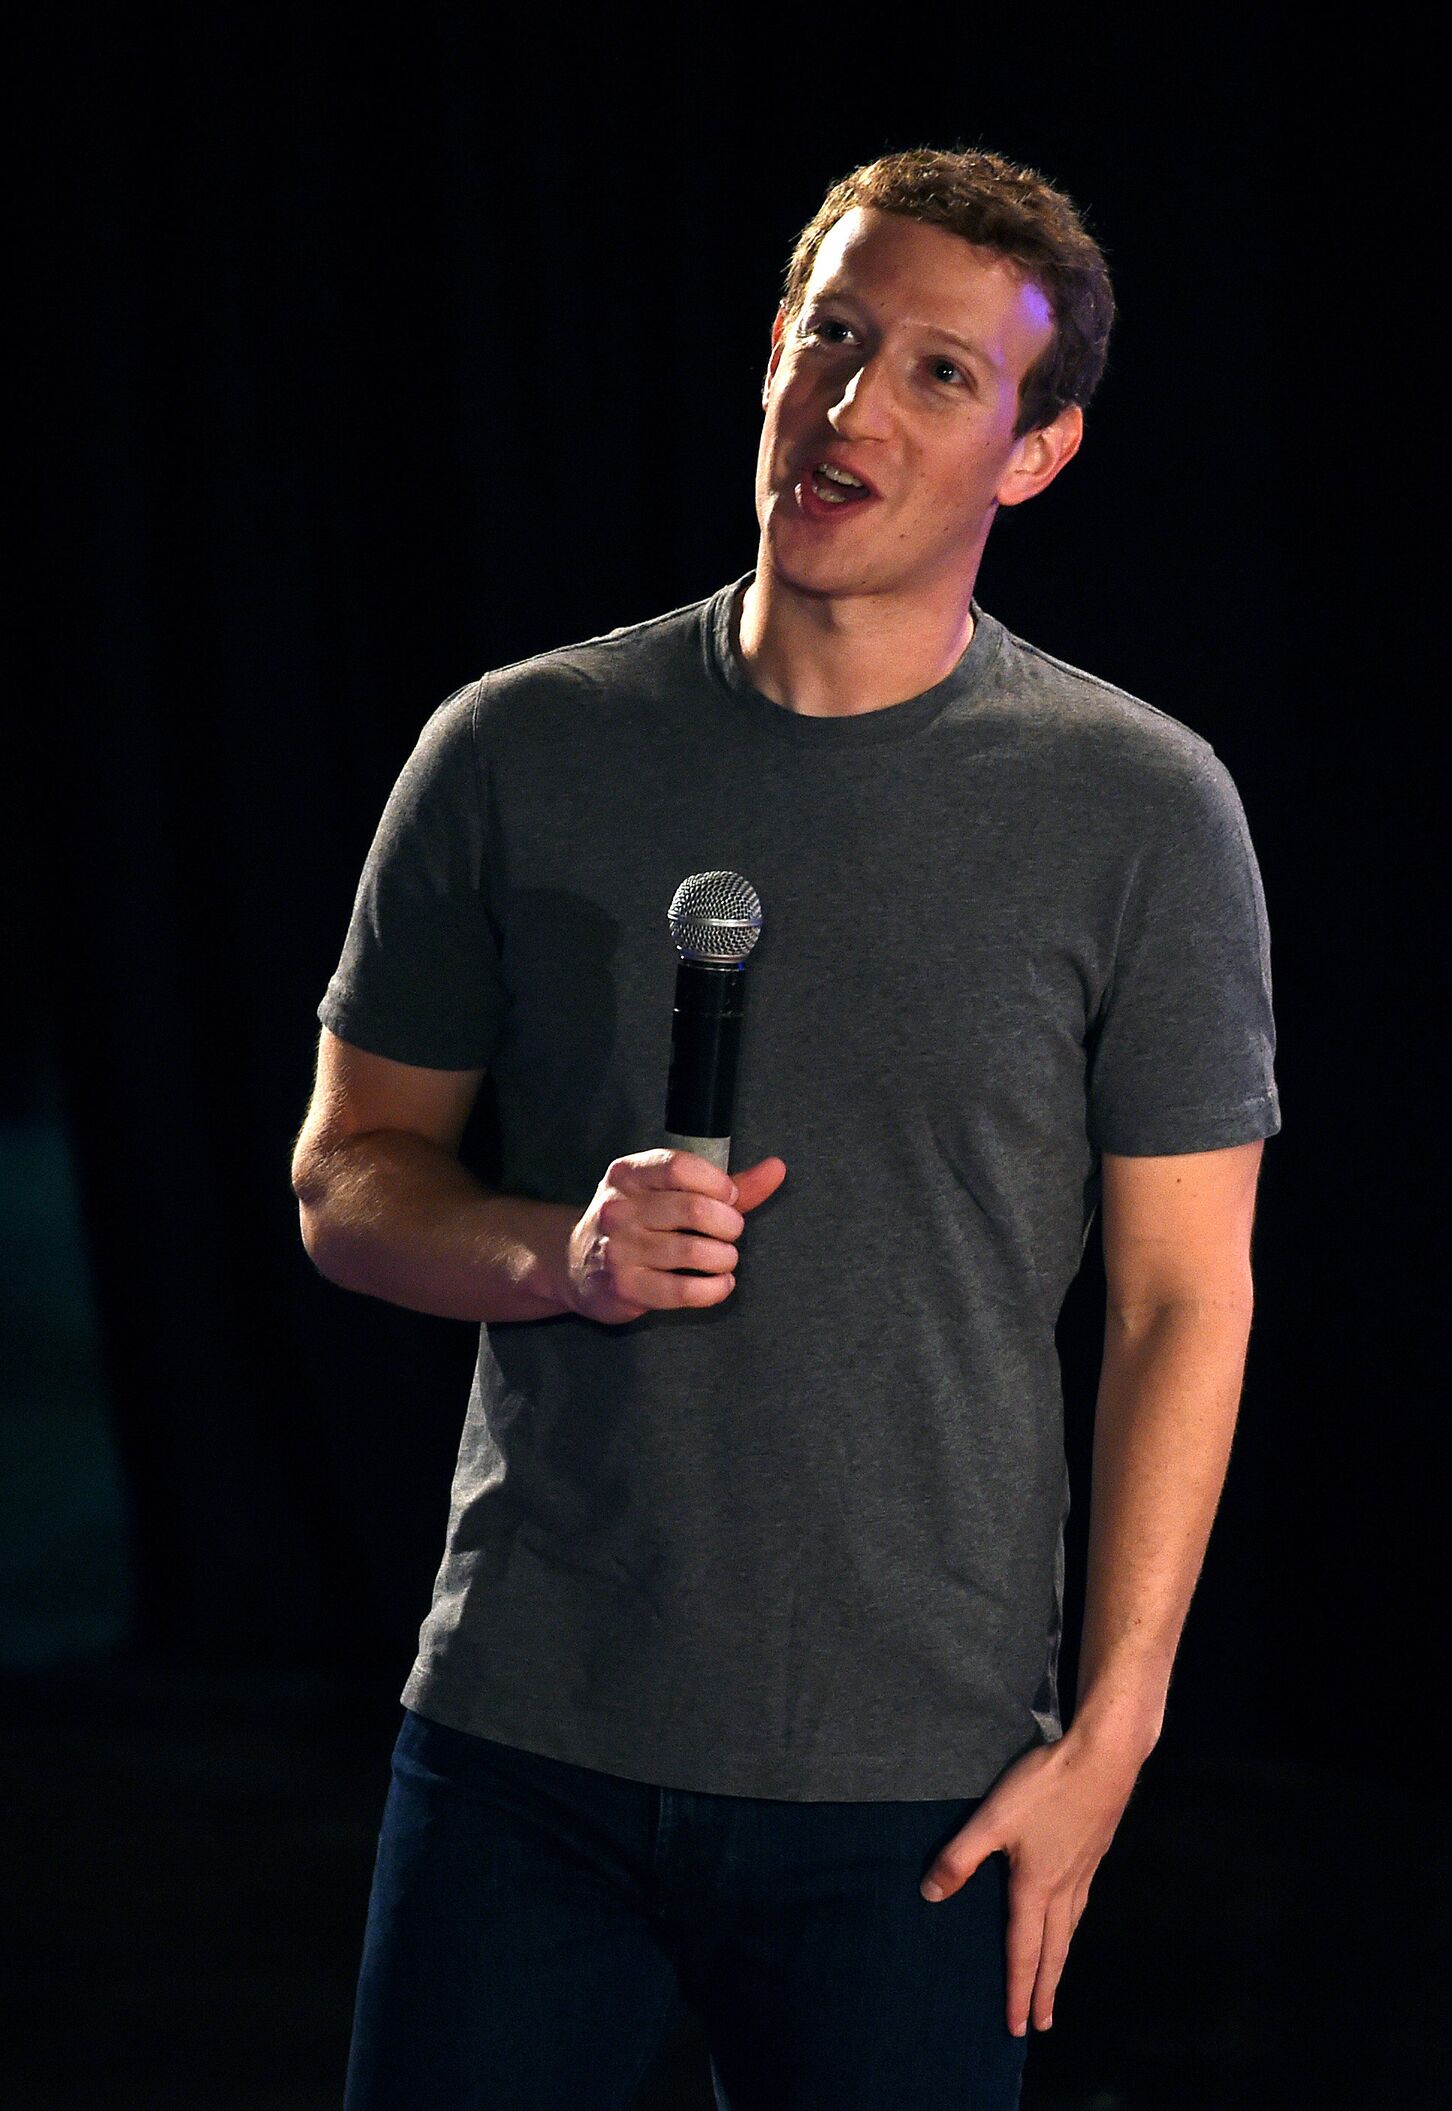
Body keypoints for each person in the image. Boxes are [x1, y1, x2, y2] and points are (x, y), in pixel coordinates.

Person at [295, 143, 1279, 2111]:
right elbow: (348, 1176)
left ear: (1034, 454)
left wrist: (1111, 1739)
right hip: (526, 1745)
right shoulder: (517, 746)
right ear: (771, 357)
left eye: (937, 372)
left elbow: (1182, 1300)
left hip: (912, 1793)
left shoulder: (1140, 811)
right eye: (833, 338)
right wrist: (559, 1254)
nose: (854, 406)